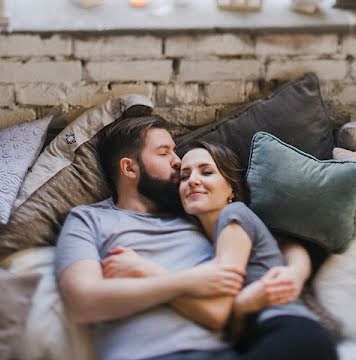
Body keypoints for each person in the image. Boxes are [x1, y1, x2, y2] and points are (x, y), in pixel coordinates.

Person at [55, 115, 315, 360]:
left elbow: (272, 243)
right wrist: (188, 281)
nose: (178, 162)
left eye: (175, 151)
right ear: (129, 168)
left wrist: (295, 272)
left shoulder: (194, 212)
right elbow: (83, 302)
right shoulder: (88, 219)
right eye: (164, 152)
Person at [103, 140, 337, 360]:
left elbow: (222, 305)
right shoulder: (203, 239)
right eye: (185, 176)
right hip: (266, 339)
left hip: (289, 332)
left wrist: (143, 269)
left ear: (230, 190)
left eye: (206, 172)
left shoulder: (234, 214)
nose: (193, 180)